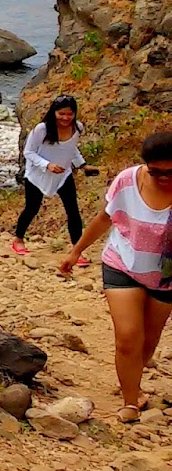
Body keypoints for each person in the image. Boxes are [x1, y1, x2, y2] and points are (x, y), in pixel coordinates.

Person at [60, 131, 172, 422]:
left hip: (165, 277)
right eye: (156, 171)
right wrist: (76, 252)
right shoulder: (128, 180)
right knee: (127, 338)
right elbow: (105, 218)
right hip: (122, 263)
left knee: (148, 341)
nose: (163, 178)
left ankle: (134, 375)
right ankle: (130, 401)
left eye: (169, 172)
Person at [12, 95, 86, 256]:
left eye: (69, 114)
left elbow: (71, 149)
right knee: (32, 208)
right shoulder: (42, 129)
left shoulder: (77, 128)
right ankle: (18, 238)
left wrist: (82, 164)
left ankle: (77, 249)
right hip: (38, 175)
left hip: (63, 175)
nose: (66, 118)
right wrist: (47, 165)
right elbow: (29, 152)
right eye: (61, 114)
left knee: (72, 210)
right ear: (54, 112)